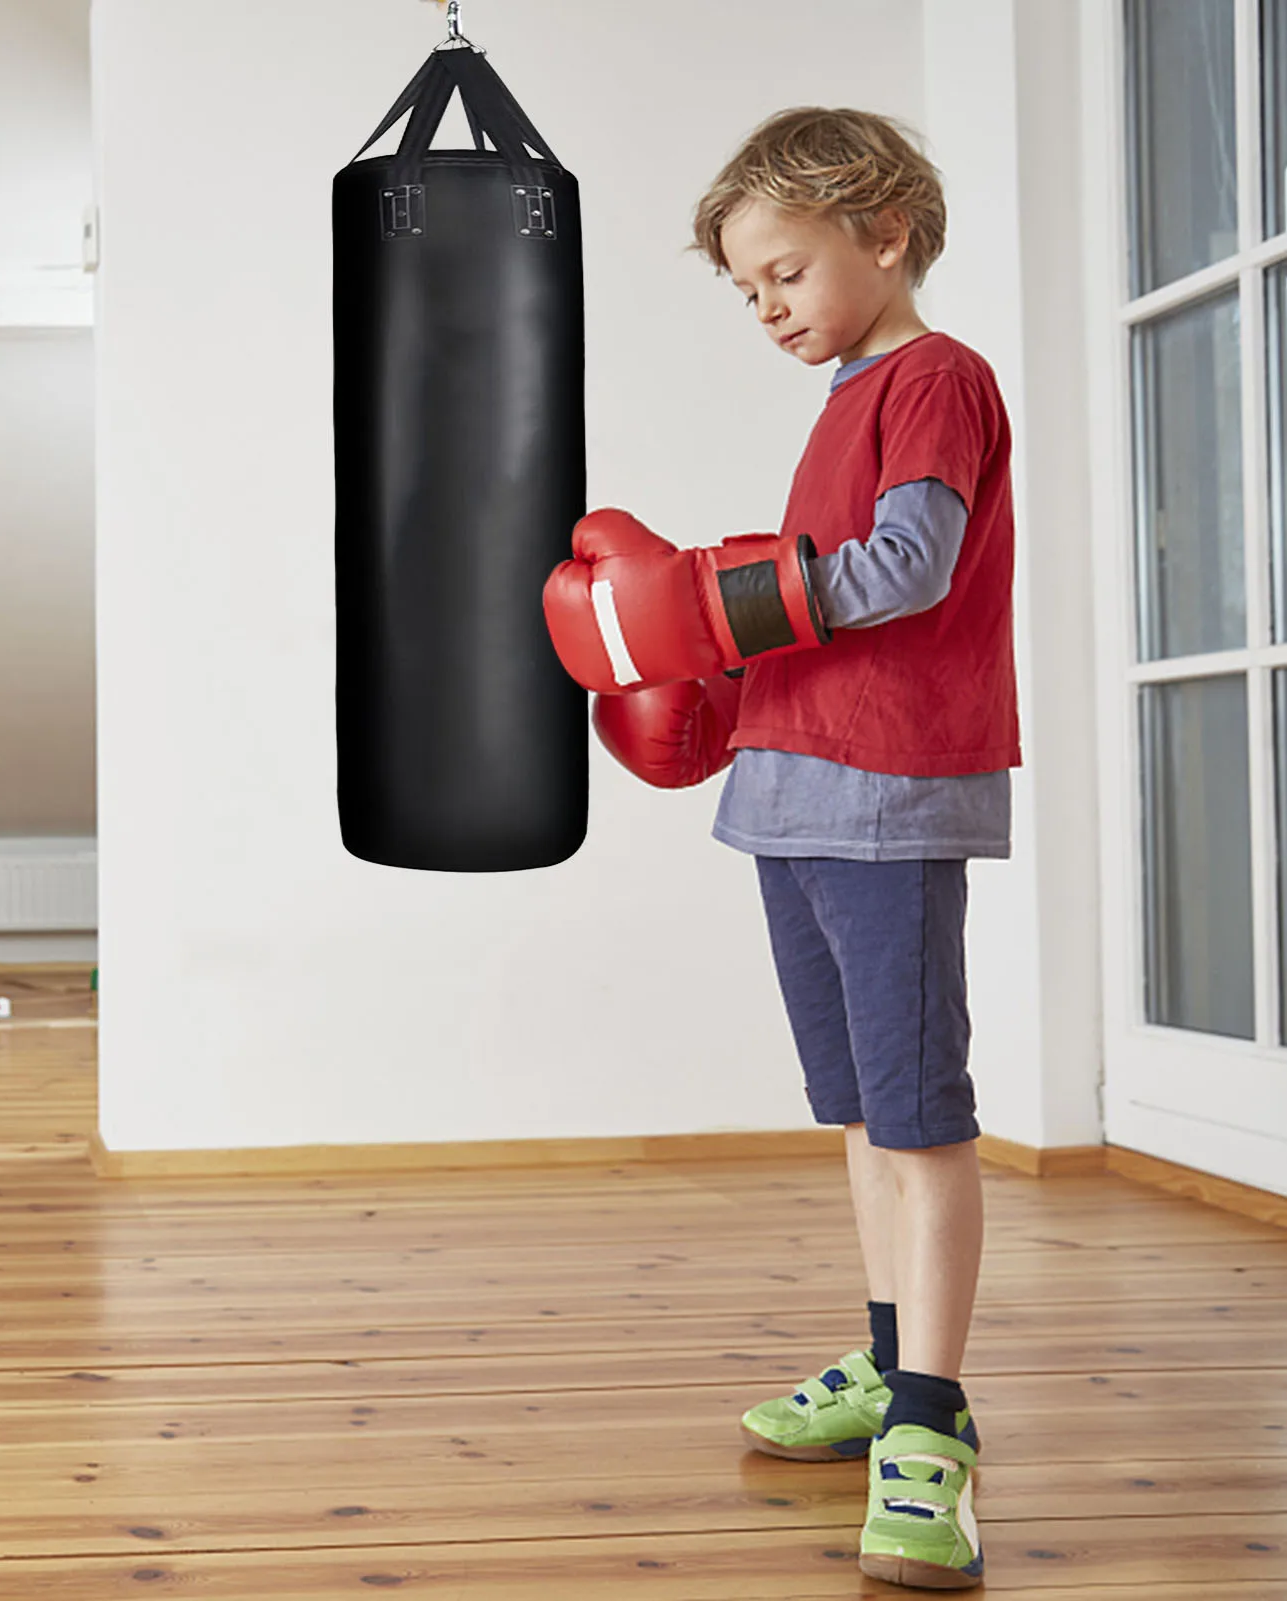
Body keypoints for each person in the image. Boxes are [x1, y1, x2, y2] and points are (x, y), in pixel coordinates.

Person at [542, 106, 1019, 1590]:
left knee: (921, 1114)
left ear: (883, 231)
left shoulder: (933, 379)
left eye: (785, 274)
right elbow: (816, 597)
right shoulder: (849, 393)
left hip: (886, 796)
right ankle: (888, 1363)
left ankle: (932, 1431)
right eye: (747, 291)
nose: (767, 310)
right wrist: (709, 682)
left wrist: (706, 604)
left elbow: (904, 569)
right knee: (862, 1112)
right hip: (793, 793)